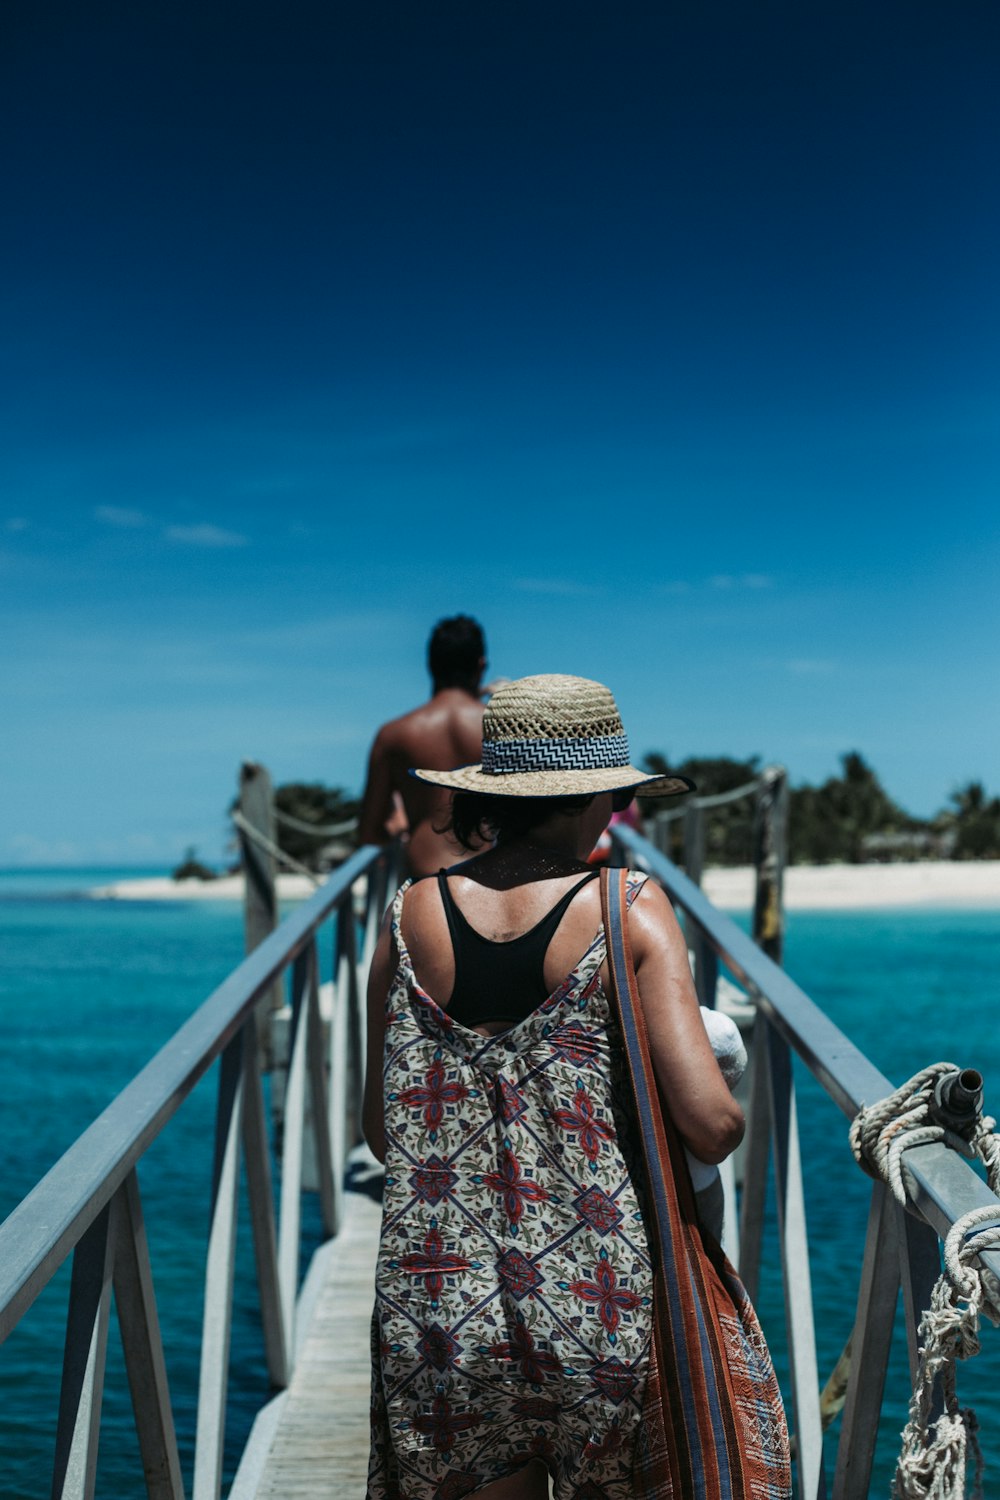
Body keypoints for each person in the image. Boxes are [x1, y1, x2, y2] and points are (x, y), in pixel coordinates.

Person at [364, 674, 786, 1500]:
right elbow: (711, 1124)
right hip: (595, 1296)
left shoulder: (408, 911)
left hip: (437, 1297)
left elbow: (384, 1134)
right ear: (600, 795)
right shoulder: (627, 903)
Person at [358, 615, 488, 878]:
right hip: (490, 878)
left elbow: (369, 832)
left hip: (423, 879)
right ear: (481, 665)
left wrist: (396, 828)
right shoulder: (500, 728)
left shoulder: (394, 733)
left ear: (430, 665)